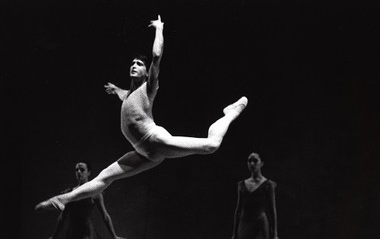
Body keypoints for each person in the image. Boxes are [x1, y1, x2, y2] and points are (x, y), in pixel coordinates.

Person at [35, 15, 247, 212]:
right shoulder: (129, 94)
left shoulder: (149, 87)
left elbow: (156, 56)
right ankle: (61, 200)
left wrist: (159, 29)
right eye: (133, 63)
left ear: (147, 73)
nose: (134, 65)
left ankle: (229, 113)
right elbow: (124, 96)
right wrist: (116, 89)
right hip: (144, 153)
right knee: (105, 178)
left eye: (139, 64)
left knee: (211, 146)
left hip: (156, 139)